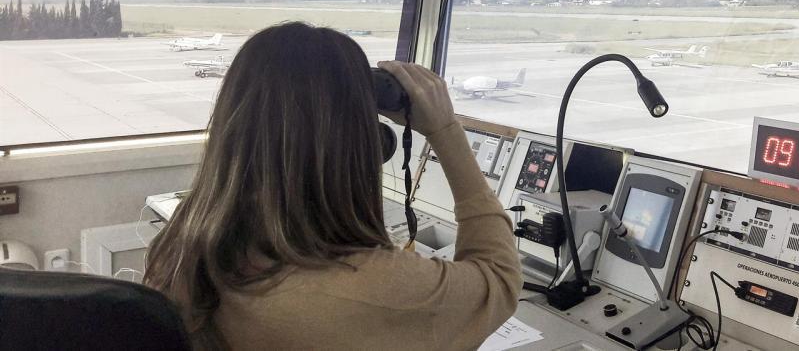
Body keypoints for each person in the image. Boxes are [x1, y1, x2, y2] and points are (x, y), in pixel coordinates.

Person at [143, 22, 521, 350]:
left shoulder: (185, 242)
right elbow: (500, 277)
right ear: (361, 145)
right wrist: (446, 130)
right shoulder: (381, 287)